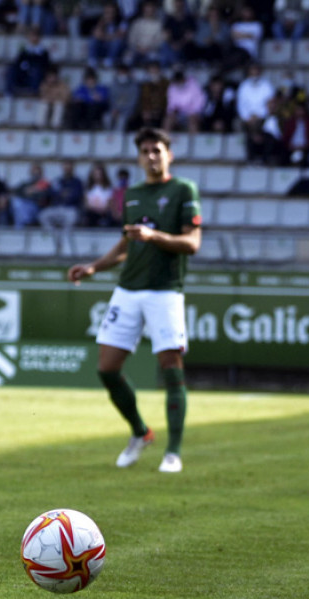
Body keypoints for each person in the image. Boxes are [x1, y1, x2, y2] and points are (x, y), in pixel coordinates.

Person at [67, 127, 202, 474]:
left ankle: (173, 452)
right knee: (107, 369)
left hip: (164, 290)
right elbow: (126, 245)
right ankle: (141, 433)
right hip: (127, 289)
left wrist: (153, 235)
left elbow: (192, 243)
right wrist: (94, 267)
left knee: (171, 367)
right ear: (139, 157)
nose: (152, 156)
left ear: (169, 154)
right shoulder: (132, 194)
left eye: (157, 150)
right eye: (145, 151)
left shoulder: (183, 190)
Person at [38, 159, 84, 246]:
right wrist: (62, 194)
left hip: (70, 209)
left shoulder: (77, 182)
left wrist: (64, 194)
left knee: (72, 217)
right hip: (57, 208)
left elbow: (76, 196)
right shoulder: (57, 181)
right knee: (43, 215)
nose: (67, 169)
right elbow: (51, 194)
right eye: (65, 167)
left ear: (72, 168)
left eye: (69, 167)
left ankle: (63, 241)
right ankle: (54, 237)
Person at [6, 27, 50, 96]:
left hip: (35, 76)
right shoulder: (24, 51)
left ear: (39, 38)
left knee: (36, 70)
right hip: (24, 74)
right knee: (12, 70)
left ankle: (34, 92)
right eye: (31, 36)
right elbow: (17, 63)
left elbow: (45, 65)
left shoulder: (43, 52)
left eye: (35, 36)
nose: (33, 38)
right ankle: (9, 92)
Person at [162, 69, 206, 134]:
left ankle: (193, 142)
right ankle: (165, 142)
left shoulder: (194, 85)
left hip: (192, 113)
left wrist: (193, 112)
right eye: (177, 82)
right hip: (179, 114)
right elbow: (171, 103)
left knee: (193, 121)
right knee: (167, 120)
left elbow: (200, 101)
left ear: (184, 79)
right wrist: (172, 111)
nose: (178, 83)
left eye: (179, 81)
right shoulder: (172, 87)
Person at [11, 161, 51, 226]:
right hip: (24, 206)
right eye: (33, 170)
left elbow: (43, 196)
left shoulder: (44, 183)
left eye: (37, 170)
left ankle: (24, 224)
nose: (35, 173)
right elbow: (17, 192)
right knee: (16, 202)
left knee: (21, 208)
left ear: (41, 172)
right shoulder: (27, 183)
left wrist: (32, 192)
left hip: (36, 208)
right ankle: (22, 224)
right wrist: (28, 192)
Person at [83, 162, 114, 227]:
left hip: (104, 213)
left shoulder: (108, 188)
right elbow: (86, 203)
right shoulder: (88, 188)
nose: (98, 176)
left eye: (99, 174)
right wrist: (94, 209)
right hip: (92, 213)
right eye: (96, 174)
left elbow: (109, 203)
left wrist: (101, 210)